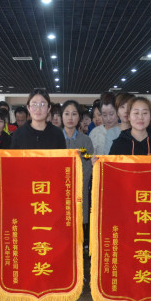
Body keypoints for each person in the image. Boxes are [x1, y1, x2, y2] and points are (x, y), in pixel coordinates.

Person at [109, 96, 151, 301]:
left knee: (149, 256)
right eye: (136, 113)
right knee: (128, 257)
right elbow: (110, 177)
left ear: (150, 117)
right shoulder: (119, 144)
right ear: (128, 116)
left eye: (145, 113)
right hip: (126, 214)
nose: (140, 117)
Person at [11, 88, 66, 301]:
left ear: (49, 108)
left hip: (49, 202)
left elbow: (63, 168)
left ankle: (46, 299)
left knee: (47, 250)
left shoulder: (57, 135)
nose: (38, 108)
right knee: (28, 250)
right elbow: (12, 169)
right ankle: (28, 297)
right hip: (26, 202)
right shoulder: (18, 135)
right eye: (34, 104)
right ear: (28, 108)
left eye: (43, 104)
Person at [62, 100, 94, 248]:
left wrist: (77, 183)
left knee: (78, 228)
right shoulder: (56, 138)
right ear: (61, 116)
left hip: (79, 190)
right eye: (67, 114)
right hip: (59, 190)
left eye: (74, 114)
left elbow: (88, 166)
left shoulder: (85, 140)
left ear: (79, 117)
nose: (70, 117)